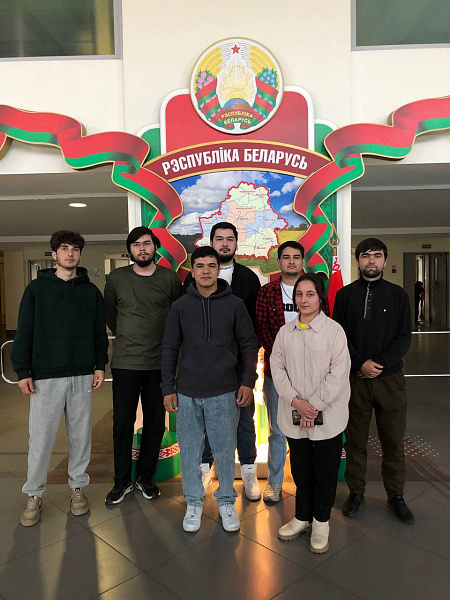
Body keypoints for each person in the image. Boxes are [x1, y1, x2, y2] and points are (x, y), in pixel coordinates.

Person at [11, 230, 108, 527]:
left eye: (75, 249)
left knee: (81, 437)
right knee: (41, 439)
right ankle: (34, 494)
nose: (70, 253)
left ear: (79, 254)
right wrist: (22, 371)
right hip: (46, 377)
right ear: (54, 254)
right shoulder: (36, 290)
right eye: (64, 248)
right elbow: (24, 330)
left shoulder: (90, 292)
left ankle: (77, 488)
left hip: (81, 374)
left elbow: (98, 331)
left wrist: (99, 365)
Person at [161, 246, 258, 533]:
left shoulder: (235, 304)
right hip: (187, 392)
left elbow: (248, 344)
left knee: (225, 451)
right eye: (200, 265)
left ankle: (226, 501)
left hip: (224, 391)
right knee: (190, 451)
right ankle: (193, 501)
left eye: (211, 265)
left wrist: (247, 381)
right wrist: (167, 387)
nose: (206, 271)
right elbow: (169, 348)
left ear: (219, 270)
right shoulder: (180, 307)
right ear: (192, 271)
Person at [333, 238, 414, 524]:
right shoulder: (345, 295)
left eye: (377, 256)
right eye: (365, 256)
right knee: (355, 441)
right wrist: (360, 364)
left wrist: (378, 365)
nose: (371, 261)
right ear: (357, 261)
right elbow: (340, 336)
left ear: (384, 261)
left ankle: (396, 496)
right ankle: (356, 493)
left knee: (393, 441)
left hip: (390, 381)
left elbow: (404, 336)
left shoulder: (398, 295)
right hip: (355, 380)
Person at [271, 273, 350, 553]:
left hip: (327, 416)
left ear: (320, 298)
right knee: (301, 471)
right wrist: (296, 402)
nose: (304, 300)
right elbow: (277, 369)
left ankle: (321, 522)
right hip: (294, 414)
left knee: (325, 472)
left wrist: (312, 405)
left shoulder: (334, 331)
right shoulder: (285, 332)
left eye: (310, 294)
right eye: (299, 294)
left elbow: (338, 375)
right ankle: (302, 517)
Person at [183, 222, 262, 500]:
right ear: (212, 242)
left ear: (237, 244)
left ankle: (249, 470)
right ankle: (206, 467)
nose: (225, 243)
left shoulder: (249, 279)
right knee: (204, 419)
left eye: (230, 239)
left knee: (244, 420)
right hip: (203, 367)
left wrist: (248, 369)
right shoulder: (192, 280)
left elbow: (253, 327)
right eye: (219, 239)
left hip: (239, 366)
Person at [104, 226, 182, 505]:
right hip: (125, 362)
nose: (142, 249)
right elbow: (110, 315)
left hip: (159, 363)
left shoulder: (169, 278)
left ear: (155, 247)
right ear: (130, 250)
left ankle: (145, 478)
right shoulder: (116, 278)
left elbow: (178, 315)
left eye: (147, 243)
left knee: (155, 423)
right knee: (122, 423)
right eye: (136, 244)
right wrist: (129, 336)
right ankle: (122, 480)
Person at [256, 241, 304, 503]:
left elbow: (324, 326)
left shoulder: (312, 289)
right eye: (286, 257)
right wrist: (283, 360)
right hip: (276, 372)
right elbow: (262, 328)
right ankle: (274, 483)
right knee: (277, 430)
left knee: (307, 429)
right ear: (279, 262)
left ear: (302, 261)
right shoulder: (267, 292)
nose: (291, 261)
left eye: (296, 257)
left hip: (309, 373)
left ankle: (304, 482)